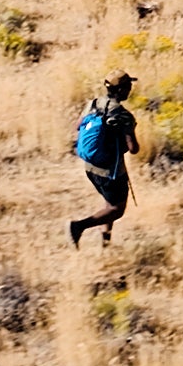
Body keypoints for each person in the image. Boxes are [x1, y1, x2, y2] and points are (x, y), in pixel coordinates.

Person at [69, 73, 140, 247]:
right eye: (128, 87)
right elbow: (134, 149)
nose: (130, 90)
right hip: (112, 171)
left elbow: (78, 126)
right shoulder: (123, 115)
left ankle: (106, 243)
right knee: (116, 210)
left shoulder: (93, 104)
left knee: (109, 203)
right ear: (121, 89)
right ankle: (79, 226)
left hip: (90, 166)